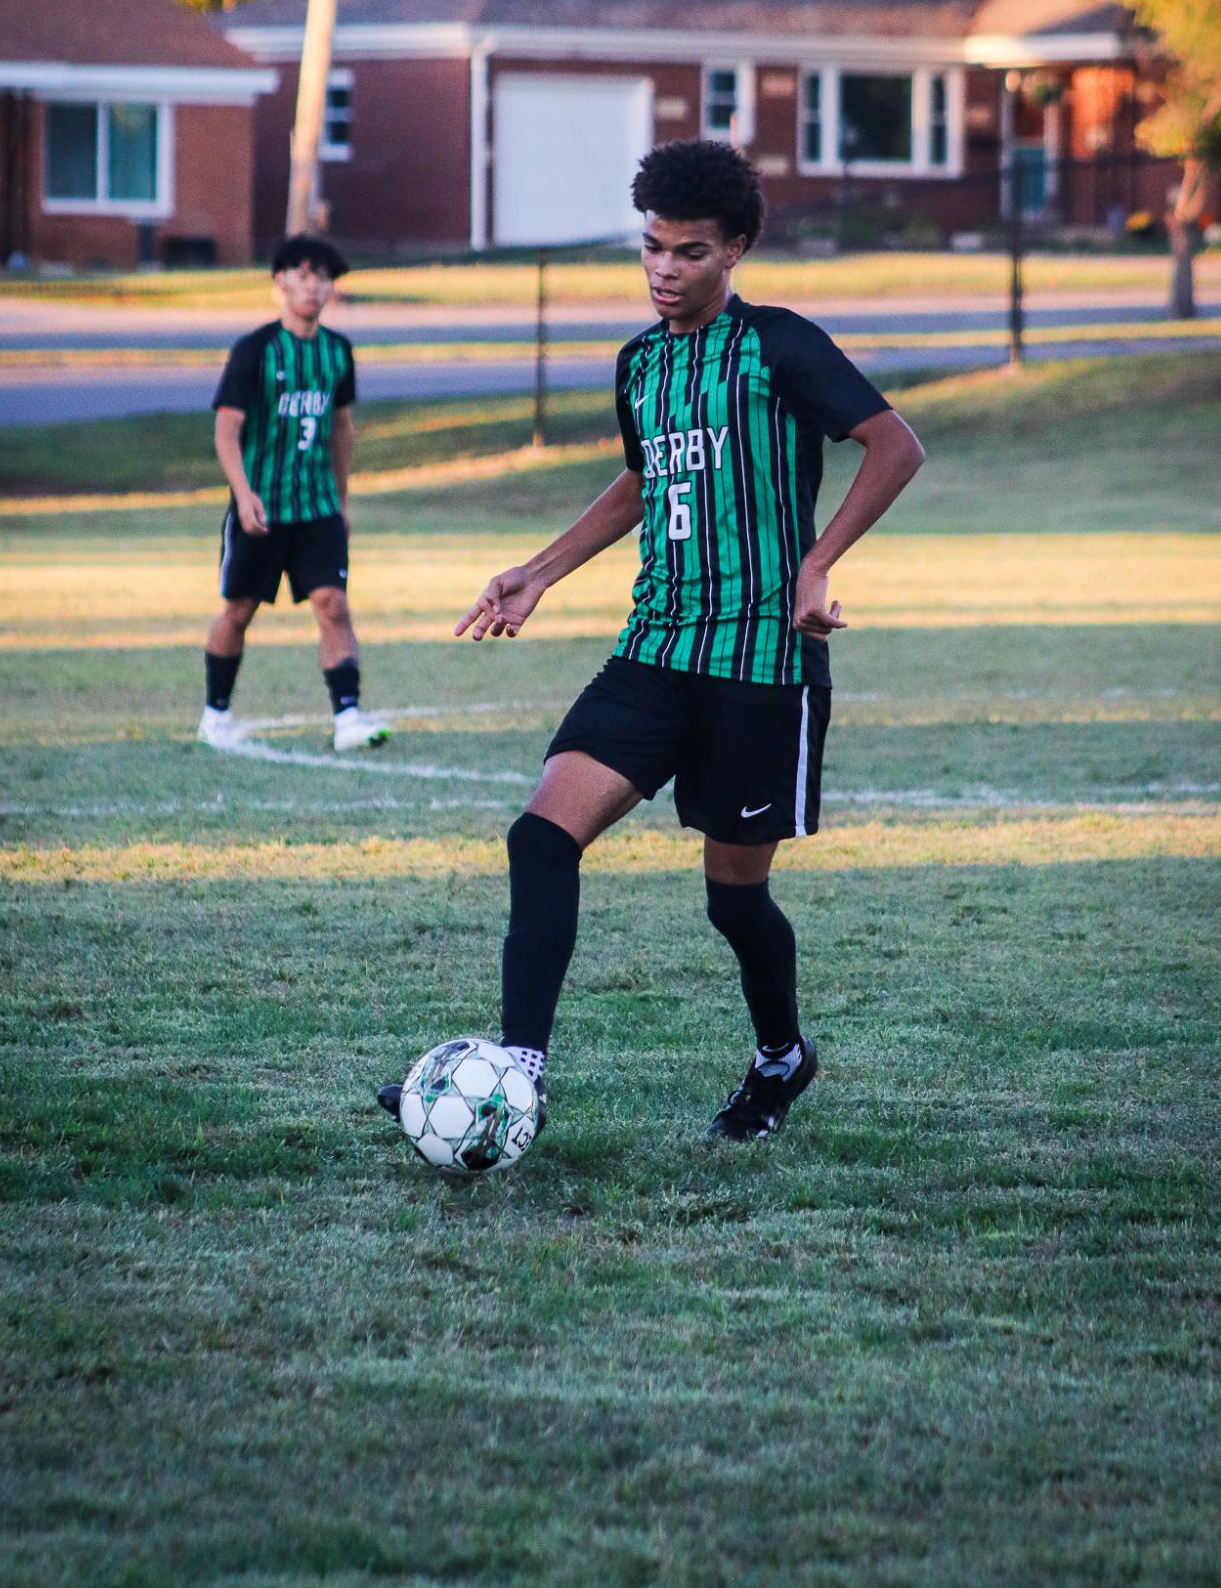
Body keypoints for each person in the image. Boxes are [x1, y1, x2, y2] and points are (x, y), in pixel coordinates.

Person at [380, 140, 924, 1142]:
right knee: (540, 835)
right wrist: (538, 571)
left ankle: (780, 1058)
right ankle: (518, 1073)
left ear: (735, 251)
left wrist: (817, 563)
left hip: (760, 664)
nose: (663, 270)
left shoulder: (778, 346)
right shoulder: (640, 364)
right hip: (655, 648)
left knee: (732, 902)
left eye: (687, 253)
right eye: (650, 250)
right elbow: (642, 483)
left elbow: (894, 445)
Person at [197, 233, 390, 756]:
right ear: (280, 281)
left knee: (334, 604)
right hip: (261, 509)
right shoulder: (255, 350)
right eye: (302, 274)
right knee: (238, 611)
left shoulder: (337, 353)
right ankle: (215, 714)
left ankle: (348, 716)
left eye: (322, 276)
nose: (313, 285)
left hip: (317, 508)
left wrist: (342, 502)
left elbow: (342, 429)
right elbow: (226, 431)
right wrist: (243, 495)